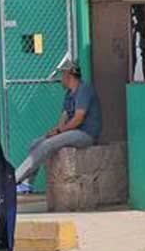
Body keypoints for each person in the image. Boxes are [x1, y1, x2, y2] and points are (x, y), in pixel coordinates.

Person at [14, 59, 101, 192]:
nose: (61, 79)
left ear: (69, 75)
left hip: (85, 134)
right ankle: (27, 183)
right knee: (35, 143)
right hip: (71, 132)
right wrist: (56, 131)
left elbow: (78, 119)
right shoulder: (68, 94)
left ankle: (13, 180)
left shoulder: (84, 89)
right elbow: (64, 117)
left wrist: (60, 130)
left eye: (62, 75)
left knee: (46, 145)